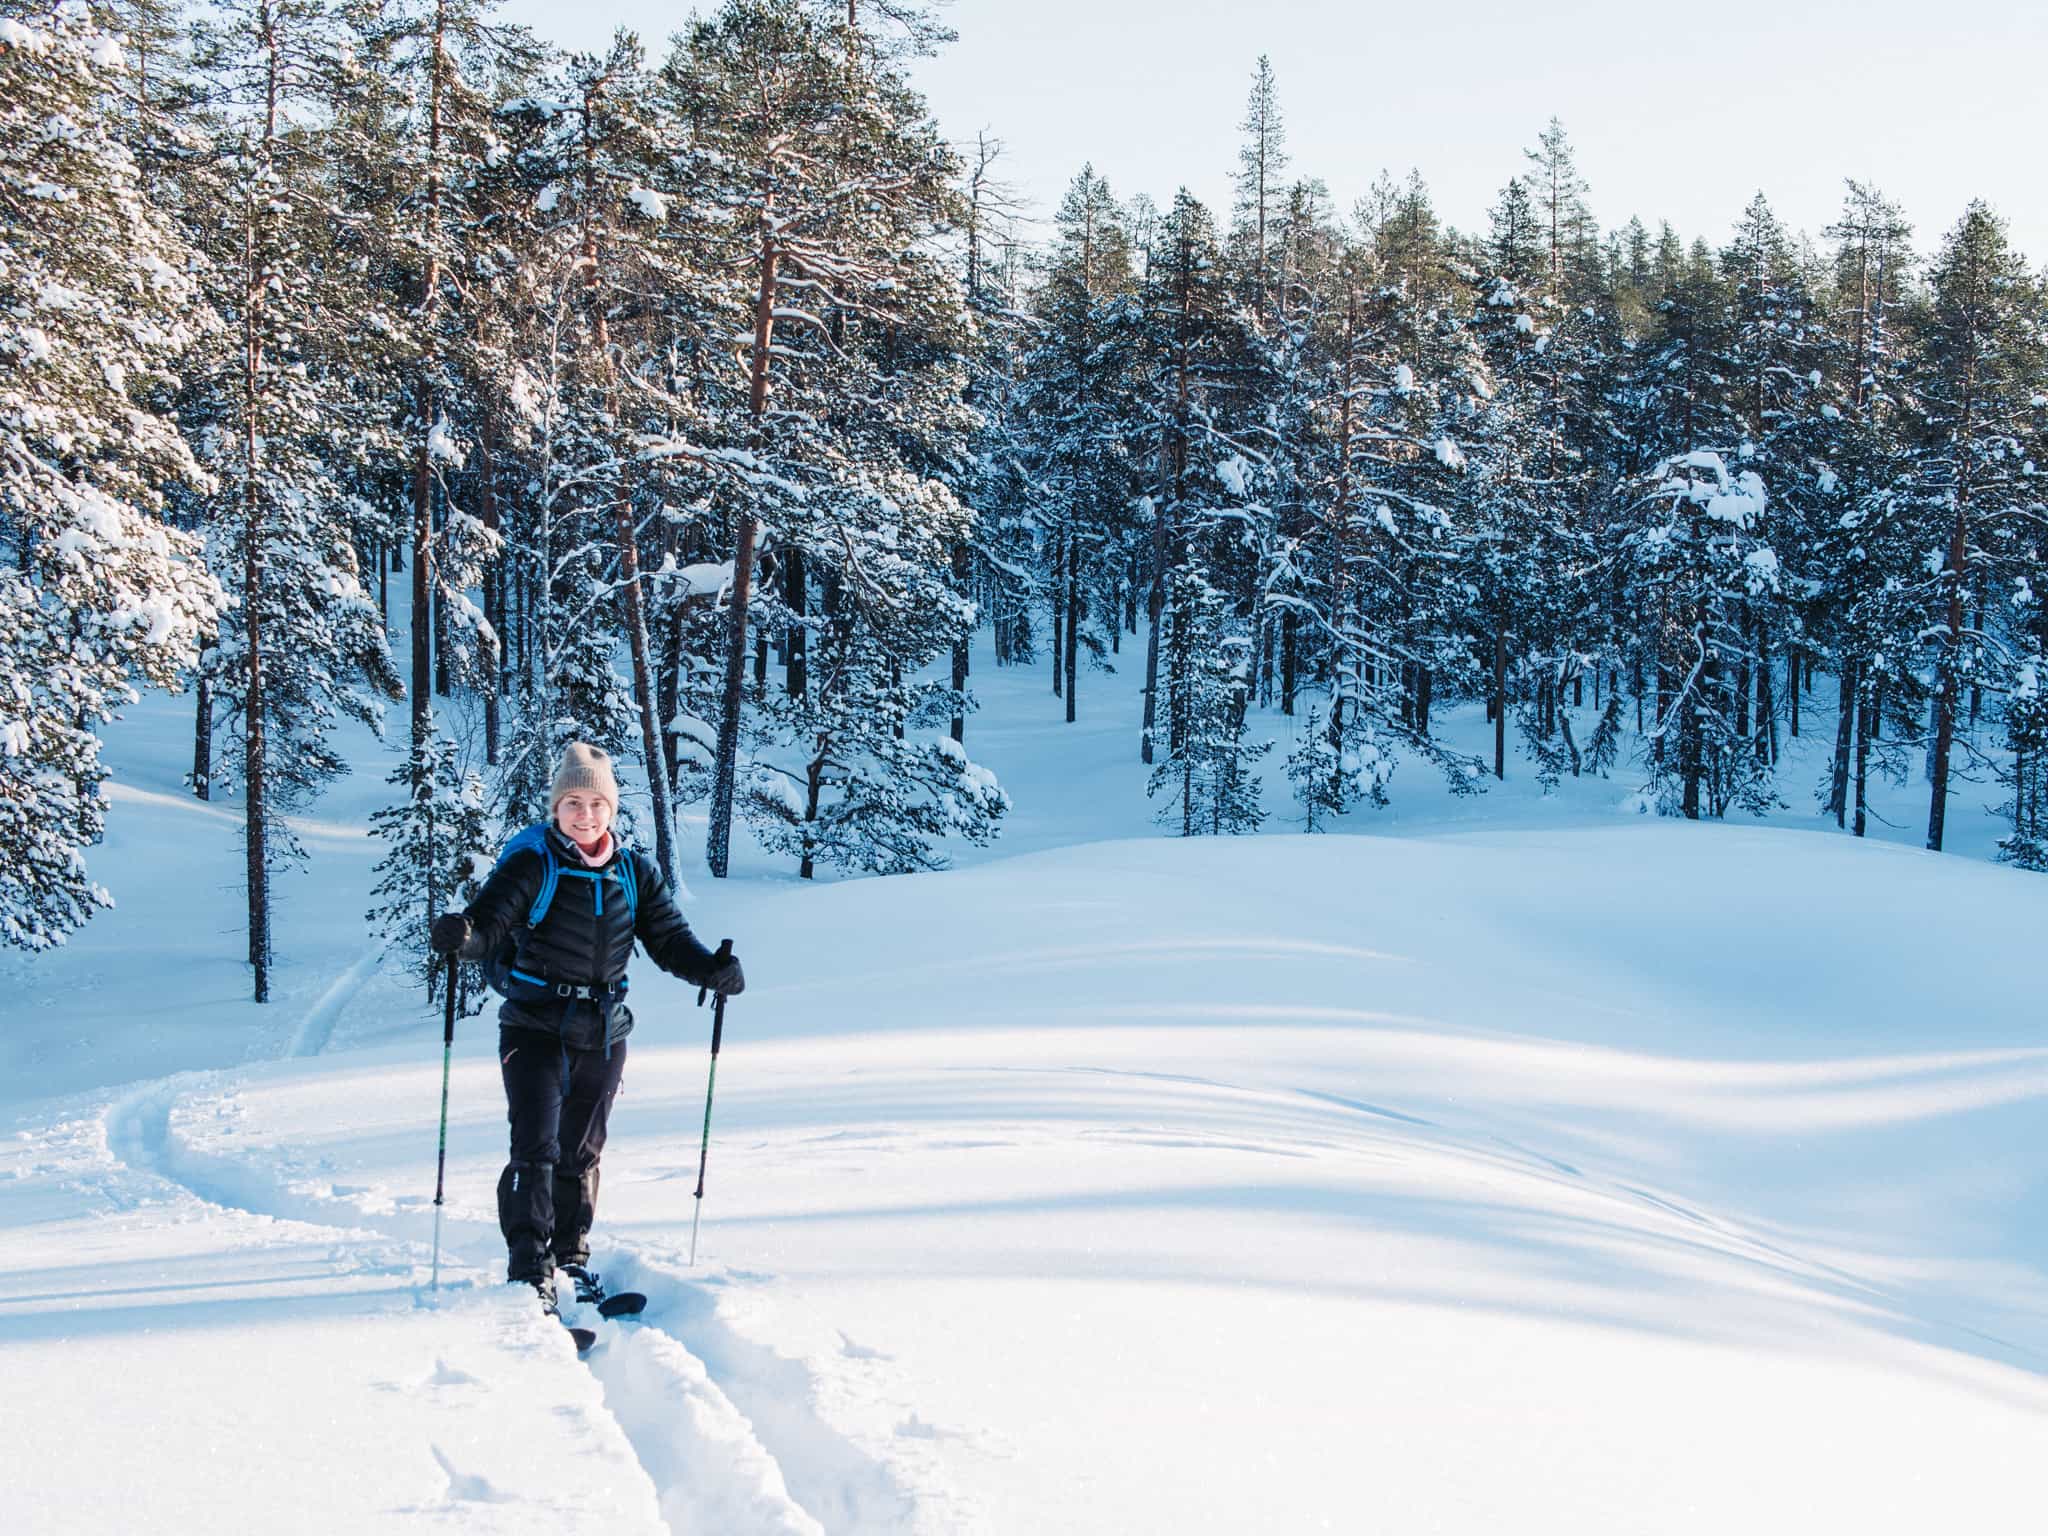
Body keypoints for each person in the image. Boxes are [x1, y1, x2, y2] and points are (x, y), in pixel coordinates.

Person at [428, 741, 744, 1312]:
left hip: (604, 1031)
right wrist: (464, 937)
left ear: (611, 809)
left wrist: (712, 970)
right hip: (534, 1027)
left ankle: (570, 1260)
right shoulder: (533, 864)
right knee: (536, 1148)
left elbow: (668, 939)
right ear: (556, 808)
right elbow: (490, 926)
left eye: (596, 803)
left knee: (581, 1153)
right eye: (573, 802)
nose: (585, 814)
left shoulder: (633, 872)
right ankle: (530, 1271)